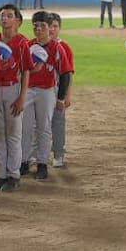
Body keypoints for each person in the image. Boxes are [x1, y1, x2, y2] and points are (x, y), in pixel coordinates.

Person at [20, 10, 72, 181]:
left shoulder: (56, 48)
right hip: (28, 91)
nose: (39, 29)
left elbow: (65, 73)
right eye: (35, 26)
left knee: (43, 128)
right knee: (26, 128)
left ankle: (42, 163)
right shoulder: (28, 46)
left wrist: (60, 98)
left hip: (47, 91)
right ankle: (25, 161)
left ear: (50, 28)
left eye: (43, 26)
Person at [0, 4, 31, 192]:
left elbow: (26, 71)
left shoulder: (22, 43)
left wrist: (22, 97)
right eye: (2, 15)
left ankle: (13, 174)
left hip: (13, 88)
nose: (4, 18)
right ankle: (1, 174)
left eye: (9, 15)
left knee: (13, 133)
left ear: (17, 21)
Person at [48, 13, 74, 168]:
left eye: (55, 26)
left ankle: (58, 153)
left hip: (58, 90)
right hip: (39, 90)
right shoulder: (35, 45)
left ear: (60, 28)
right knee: (37, 125)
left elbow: (68, 74)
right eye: (49, 25)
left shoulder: (64, 47)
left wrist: (66, 95)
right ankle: (36, 154)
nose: (51, 29)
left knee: (57, 122)